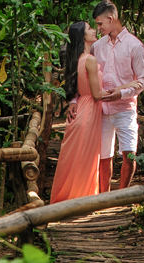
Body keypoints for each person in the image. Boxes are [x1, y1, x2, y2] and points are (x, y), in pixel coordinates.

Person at [91, 1, 144, 192]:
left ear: (111, 18)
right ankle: (104, 198)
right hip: (103, 110)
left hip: (125, 109)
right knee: (104, 156)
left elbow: (143, 80)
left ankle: (122, 196)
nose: (98, 29)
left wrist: (121, 93)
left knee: (129, 154)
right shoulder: (97, 46)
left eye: (100, 24)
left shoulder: (135, 46)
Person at [50, 21, 105, 204]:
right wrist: (124, 89)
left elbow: (77, 88)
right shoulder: (90, 60)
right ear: (83, 36)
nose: (94, 30)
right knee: (87, 160)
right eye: (89, 29)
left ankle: (69, 199)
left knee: (75, 158)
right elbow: (97, 94)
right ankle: (84, 200)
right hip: (89, 110)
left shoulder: (77, 60)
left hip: (81, 107)